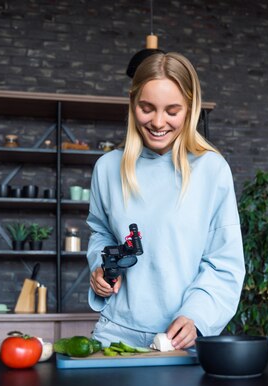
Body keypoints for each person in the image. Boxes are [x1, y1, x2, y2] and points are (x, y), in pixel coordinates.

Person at [86, 52, 245, 350]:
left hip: (182, 339)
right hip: (115, 334)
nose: (158, 122)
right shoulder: (107, 168)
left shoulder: (212, 169)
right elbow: (102, 234)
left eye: (172, 111)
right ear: (133, 104)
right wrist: (99, 268)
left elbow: (224, 262)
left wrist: (197, 316)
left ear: (190, 109)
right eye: (147, 108)